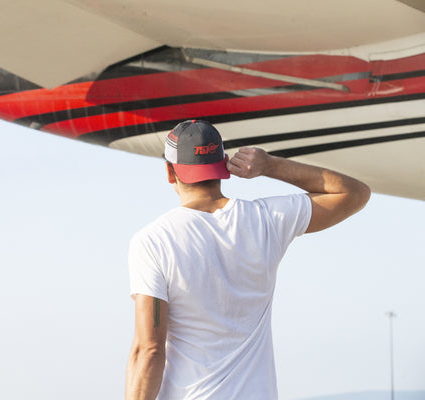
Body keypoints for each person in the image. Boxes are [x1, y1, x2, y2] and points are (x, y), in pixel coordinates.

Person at [125, 120, 370, 400]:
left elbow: (149, 350)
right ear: (224, 163)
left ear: (170, 171)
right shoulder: (267, 219)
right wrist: (269, 165)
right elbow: (355, 193)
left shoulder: (153, 241)